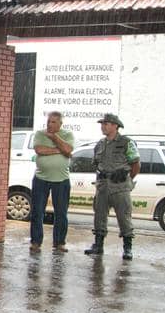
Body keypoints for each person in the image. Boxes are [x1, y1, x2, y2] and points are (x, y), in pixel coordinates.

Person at [84, 113, 140, 260]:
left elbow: (136, 164)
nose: (103, 126)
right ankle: (98, 245)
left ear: (115, 126)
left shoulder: (126, 142)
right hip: (103, 186)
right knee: (99, 216)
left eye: (106, 124)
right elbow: (96, 164)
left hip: (119, 186)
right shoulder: (100, 144)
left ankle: (127, 248)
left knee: (124, 217)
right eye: (102, 124)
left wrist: (127, 179)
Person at [29, 111, 75, 252]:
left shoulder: (67, 135)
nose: (49, 124)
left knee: (61, 213)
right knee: (37, 211)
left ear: (60, 124)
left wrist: (55, 138)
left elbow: (68, 149)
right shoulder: (39, 134)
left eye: (53, 122)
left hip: (61, 180)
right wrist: (59, 150)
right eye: (48, 121)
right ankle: (36, 241)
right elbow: (39, 150)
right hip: (41, 179)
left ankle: (59, 242)